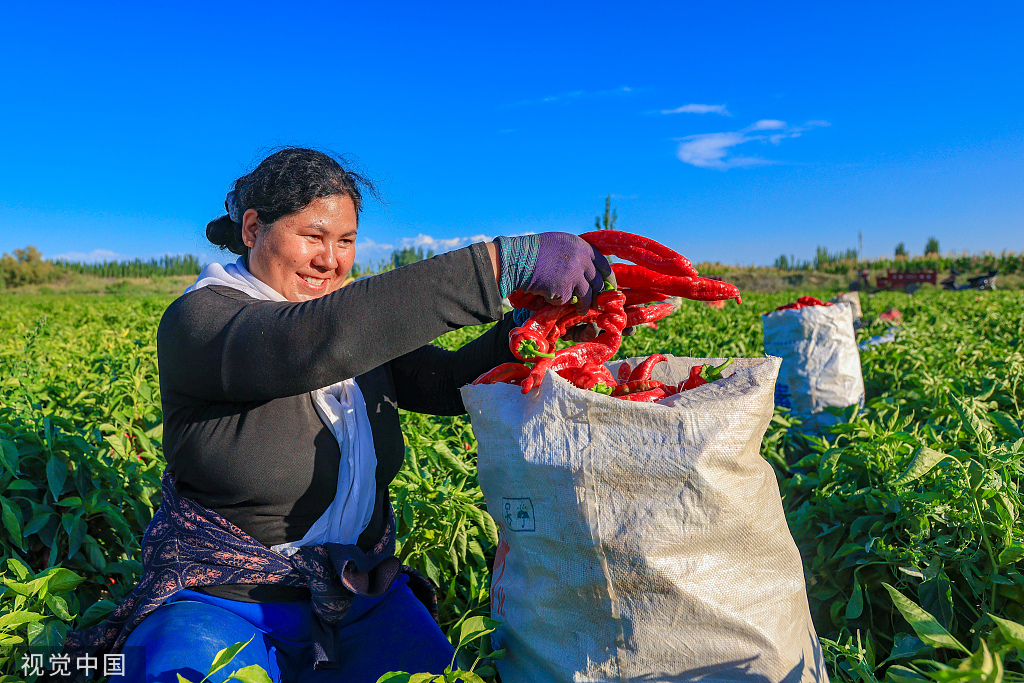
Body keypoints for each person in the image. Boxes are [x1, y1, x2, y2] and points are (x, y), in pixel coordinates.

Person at [64, 147, 611, 683]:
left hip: (356, 592)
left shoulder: (348, 323)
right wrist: (497, 266)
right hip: (225, 597)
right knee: (172, 671)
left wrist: (528, 333)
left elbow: (443, 384)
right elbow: (311, 346)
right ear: (253, 230)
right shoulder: (202, 319)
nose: (331, 258)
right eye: (313, 237)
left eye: (345, 240)